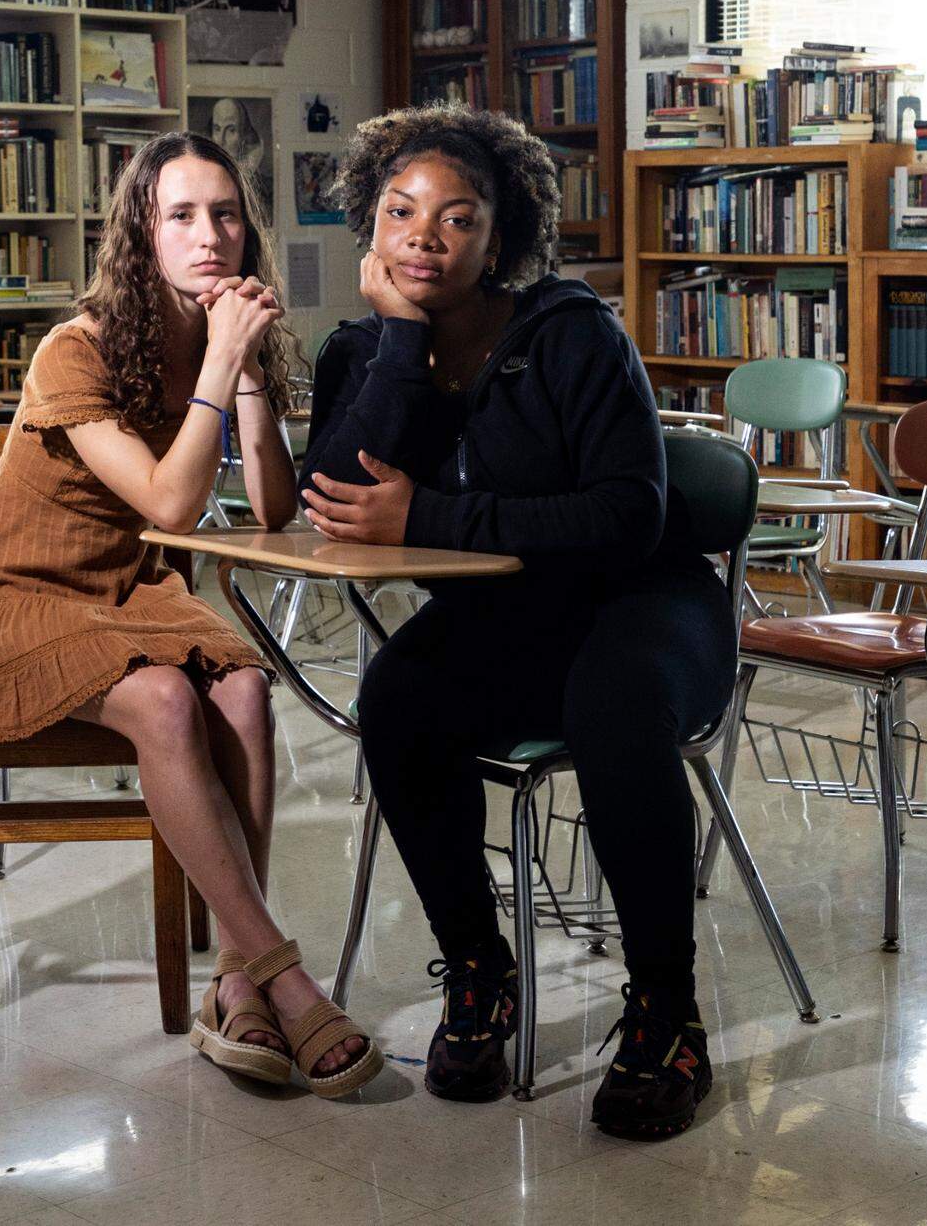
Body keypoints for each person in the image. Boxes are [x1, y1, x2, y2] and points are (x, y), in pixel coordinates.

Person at [0, 131, 382, 1101]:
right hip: (14, 592)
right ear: (142, 232)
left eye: (225, 214)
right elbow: (172, 506)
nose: (210, 234)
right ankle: (281, 976)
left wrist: (249, 368)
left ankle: (232, 980)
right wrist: (221, 370)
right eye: (181, 215)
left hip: (127, 592)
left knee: (247, 695)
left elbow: (270, 509)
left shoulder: (215, 339)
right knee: (168, 707)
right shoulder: (76, 348)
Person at [298, 105, 737, 1134]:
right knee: (398, 695)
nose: (424, 236)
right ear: (369, 220)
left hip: (647, 604)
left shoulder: (573, 333)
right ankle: (479, 975)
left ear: (501, 239)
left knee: (614, 702)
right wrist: (403, 346)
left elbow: (632, 515)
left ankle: (667, 1013)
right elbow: (330, 501)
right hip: (514, 618)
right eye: (402, 212)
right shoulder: (361, 351)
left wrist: (430, 512)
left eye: (458, 219)